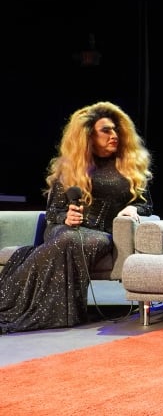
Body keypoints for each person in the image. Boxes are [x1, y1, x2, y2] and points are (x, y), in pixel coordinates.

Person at [0, 101, 153, 334]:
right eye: (106, 130)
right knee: (67, 236)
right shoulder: (73, 167)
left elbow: (146, 205)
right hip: (64, 229)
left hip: (103, 234)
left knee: (70, 240)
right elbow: (52, 212)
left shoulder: (130, 166)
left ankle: (8, 297)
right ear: (88, 136)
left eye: (115, 129)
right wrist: (67, 217)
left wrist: (133, 210)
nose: (114, 135)